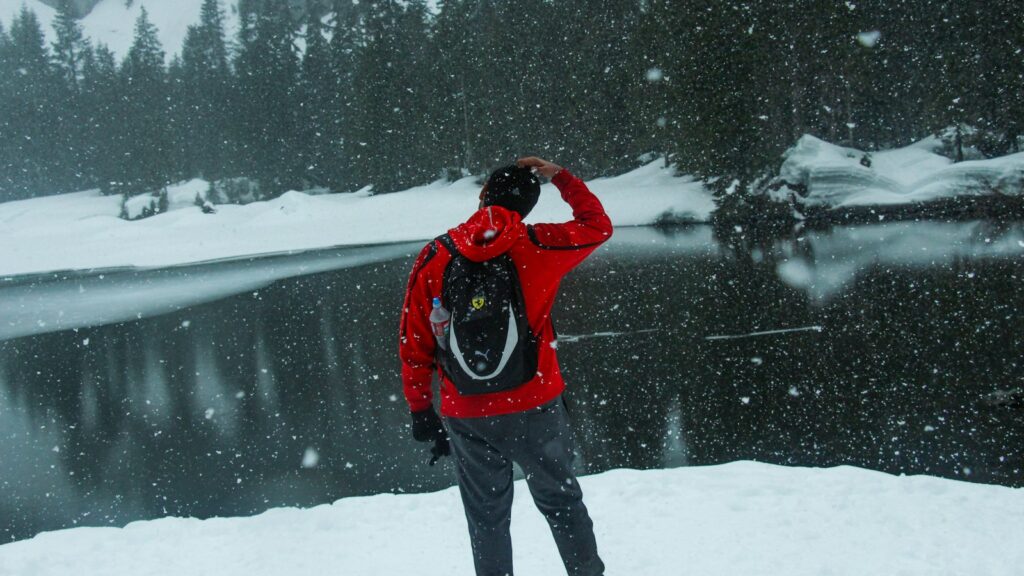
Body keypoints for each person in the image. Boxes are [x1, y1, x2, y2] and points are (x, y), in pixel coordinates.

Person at [398, 156, 612, 576]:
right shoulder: (539, 244)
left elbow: (413, 341)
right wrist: (562, 178)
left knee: (487, 520)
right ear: (528, 206)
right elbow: (597, 224)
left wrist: (421, 409)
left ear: (482, 198)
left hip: (467, 413)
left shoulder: (436, 254)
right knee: (562, 504)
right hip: (536, 405)